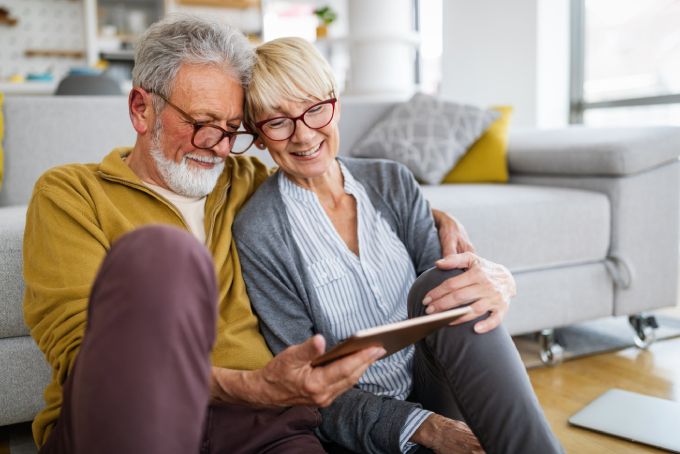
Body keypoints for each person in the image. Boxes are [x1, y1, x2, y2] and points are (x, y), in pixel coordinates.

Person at [22, 15, 471, 454]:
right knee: (163, 251)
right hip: (132, 413)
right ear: (142, 109)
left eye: (232, 130)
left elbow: (325, 184)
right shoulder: (71, 194)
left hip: (261, 427)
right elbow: (85, 359)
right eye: (202, 123)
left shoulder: (243, 178)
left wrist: (435, 217)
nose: (218, 146)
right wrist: (252, 386)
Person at [234, 37, 564, 454]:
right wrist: (425, 427)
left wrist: (496, 280)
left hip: (440, 381)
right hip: (367, 419)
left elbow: (453, 307)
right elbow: (303, 383)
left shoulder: (391, 181)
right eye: (278, 121)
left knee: (446, 284)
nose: (304, 135)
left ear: (336, 104)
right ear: (259, 136)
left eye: (315, 109)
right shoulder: (259, 231)